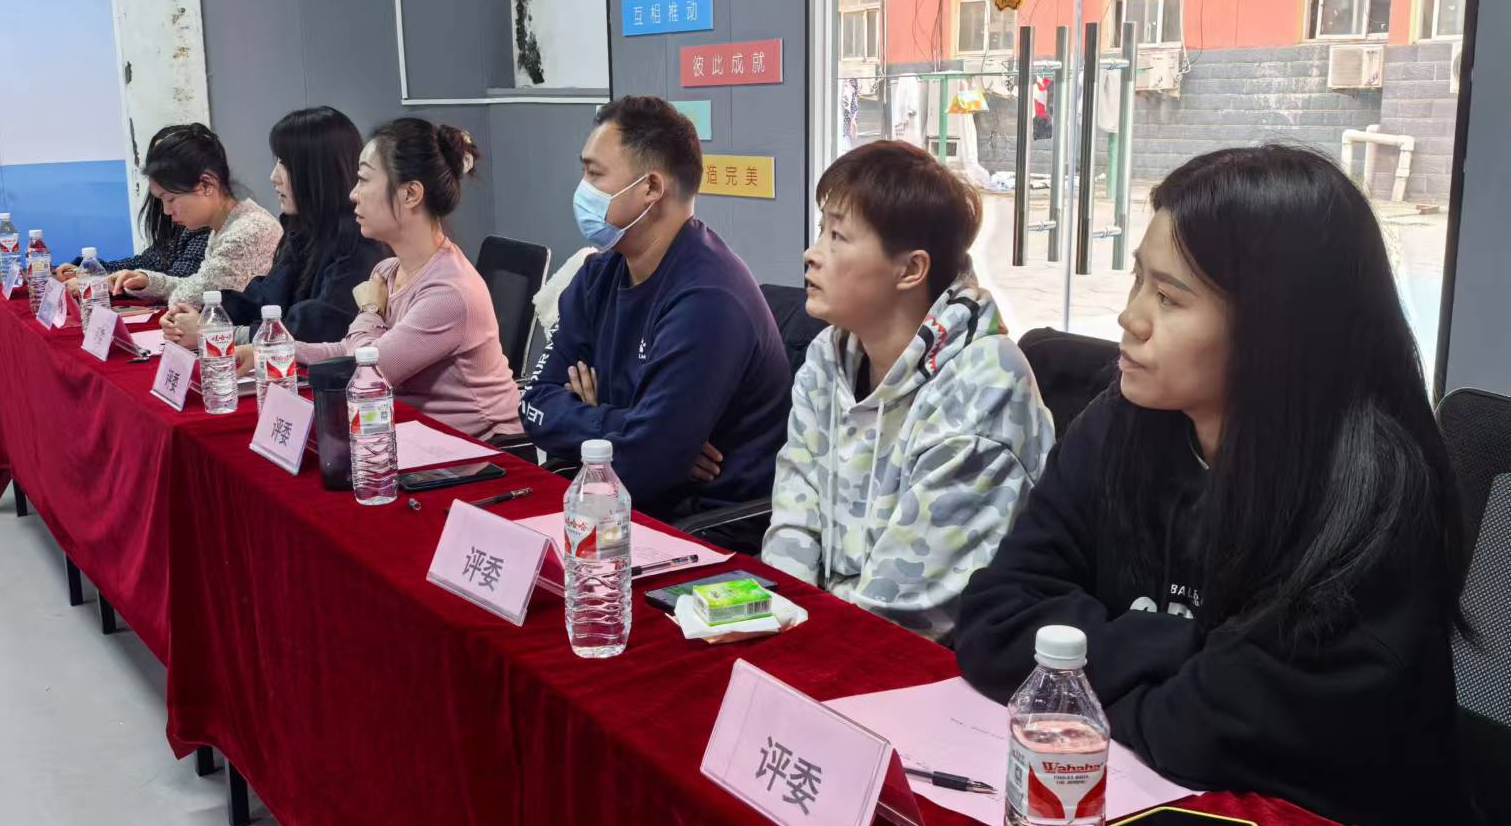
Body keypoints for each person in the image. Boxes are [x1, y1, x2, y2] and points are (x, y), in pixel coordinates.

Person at [953, 145, 1467, 826]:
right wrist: (1187, 652)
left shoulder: (1371, 494)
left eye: (1169, 298)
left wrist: (1077, 678)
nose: (1130, 317)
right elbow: (993, 618)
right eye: (1138, 278)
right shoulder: (1123, 420)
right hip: (1164, 825)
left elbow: (1199, 733)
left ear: (1276, 329)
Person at [760, 142, 1053, 642]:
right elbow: (795, 512)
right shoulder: (828, 355)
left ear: (911, 269)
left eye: (837, 236)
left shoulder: (984, 383)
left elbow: (907, 608)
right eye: (821, 231)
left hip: (926, 659)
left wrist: (799, 638)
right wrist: (778, 620)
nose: (812, 254)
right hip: (816, 631)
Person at [520, 96, 791, 521]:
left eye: (595, 173)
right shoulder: (598, 275)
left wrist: (611, 426)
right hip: (617, 503)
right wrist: (622, 422)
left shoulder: (708, 299)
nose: (582, 188)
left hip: (699, 525)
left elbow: (644, 466)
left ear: (650, 188)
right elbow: (535, 404)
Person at [261, 118, 520, 441]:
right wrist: (280, 351)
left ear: (410, 193)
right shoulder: (386, 271)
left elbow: (365, 373)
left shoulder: (449, 292)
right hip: (415, 437)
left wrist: (370, 310)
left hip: (480, 451)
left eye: (363, 179)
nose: (353, 194)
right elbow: (348, 349)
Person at [159, 107, 387, 348]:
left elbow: (318, 327)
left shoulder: (358, 239)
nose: (274, 176)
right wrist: (209, 314)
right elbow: (266, 299)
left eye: (284, 163)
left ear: (317, 170)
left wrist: (217, 332)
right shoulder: (302, 230)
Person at [108, 123, 282, 309]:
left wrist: (154, 284)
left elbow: (189, 298)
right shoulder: (226, 225)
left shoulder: (247, 231)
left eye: (171, 199)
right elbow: (199, 284)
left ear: (206, 185)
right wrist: (148, 282)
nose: (166, 211)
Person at [56, 133, 210, 287]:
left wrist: (98, 283)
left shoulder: (203, 225)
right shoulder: (176, 220)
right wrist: (95, 270)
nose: (166, 211)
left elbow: (182, 282)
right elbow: (149, 261)